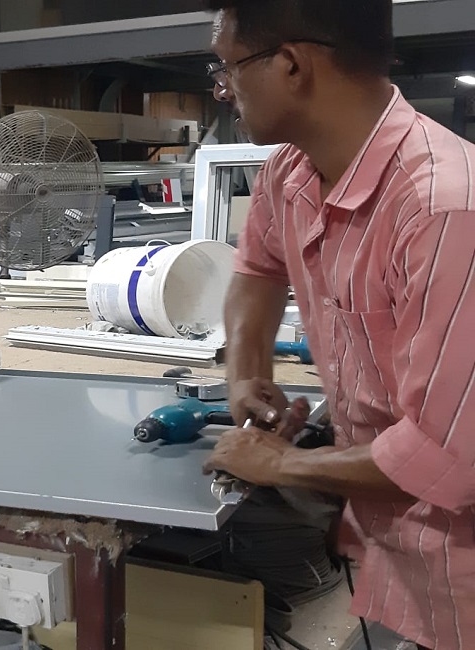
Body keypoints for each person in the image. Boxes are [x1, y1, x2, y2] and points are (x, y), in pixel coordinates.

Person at [199, 1, 475, 649]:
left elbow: (448, 456)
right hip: (395, 541)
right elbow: (257, 271)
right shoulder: (289, 175)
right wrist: (246, 377)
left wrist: (284, 464)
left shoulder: (443, 208)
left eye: (228, 67)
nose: (222, 89)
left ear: (291, 65)